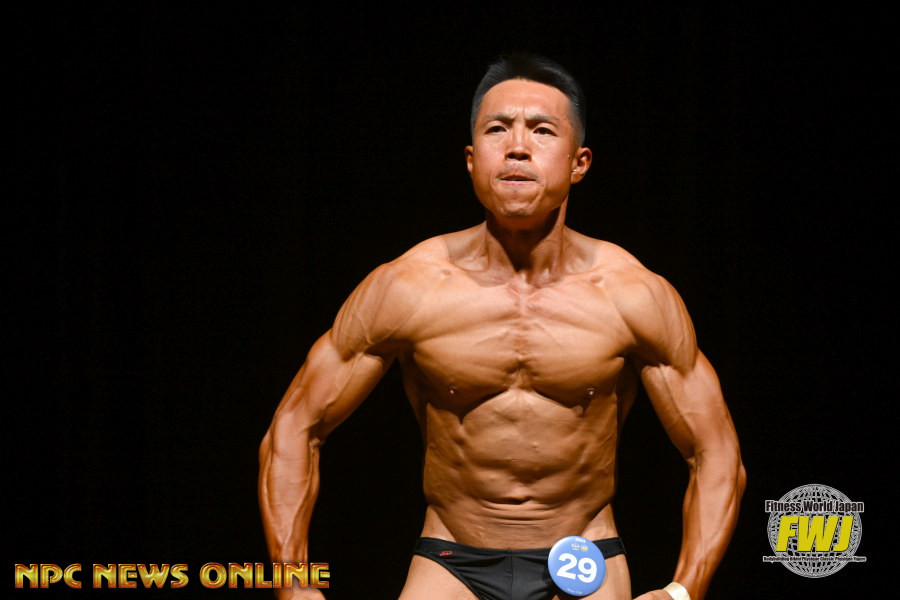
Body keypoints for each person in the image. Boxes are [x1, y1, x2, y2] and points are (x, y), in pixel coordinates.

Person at [259, 54, 745, 600]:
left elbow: (714, 449)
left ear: (579, 162)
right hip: (450, 560)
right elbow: (296, 426)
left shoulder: (632, 295)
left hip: (584, 560)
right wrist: (290, 583)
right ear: (471, 160)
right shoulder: (410, 287)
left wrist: (683, 590)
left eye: (541, 130)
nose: (517, 147)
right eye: (497, 129)